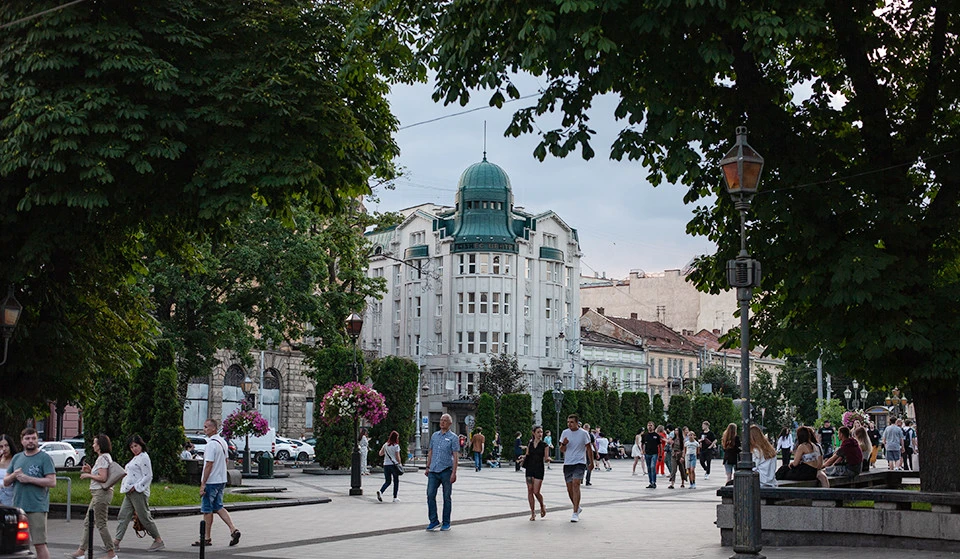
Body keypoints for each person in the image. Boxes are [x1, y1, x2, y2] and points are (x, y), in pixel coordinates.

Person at [3, 428, 56, 559]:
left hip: (36, 507)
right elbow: (6, 481)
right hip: (18, 508)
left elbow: (52, 481)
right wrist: (14, 476)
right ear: (22, 441)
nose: (30, 441)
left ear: (38, 440)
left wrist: (29, 479)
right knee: (16, 546)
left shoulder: (44, 458)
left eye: (33, 438)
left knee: (39, 543)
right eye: (27, 439)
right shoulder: (17, 458)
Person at [66, 434, 118, 559]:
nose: (93, 445)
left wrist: (88, 476)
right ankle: (81, 551)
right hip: (99, 493)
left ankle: (111, 553)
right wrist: (90, 471)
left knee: (100, 523)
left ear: (100, 445)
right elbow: (101, 475)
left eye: (95, 443)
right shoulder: (104, 457)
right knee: (88, 522)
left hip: (101, 494)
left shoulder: (102, 458)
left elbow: (103, 478)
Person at [114, 434, 164, 553]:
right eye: (131, 447)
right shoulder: (136, 458)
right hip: (130, 492)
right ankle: (116, 541)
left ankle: (158, 540)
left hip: (138, 492)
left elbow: (148, 476)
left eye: (136, 446)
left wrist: (136, 487)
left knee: (144, 516)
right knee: (123, 515)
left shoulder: (144, 458)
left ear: (141, 445)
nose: (134, 449)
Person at [195, 419, 241, 547]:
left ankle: (206, 538)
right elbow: (226, 460)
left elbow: (209, 464)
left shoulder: (210, 444)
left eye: (206, 427)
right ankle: (233, 529)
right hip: (221, 480)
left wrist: (203, 483)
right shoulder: (222, 442)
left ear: (214, 429)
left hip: (211, 481)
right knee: (218, 506)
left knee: (207, 510)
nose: (204, 429)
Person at [425, 413, 459, 531]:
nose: (442, 422)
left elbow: (455, 456)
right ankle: (433, 521)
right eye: (441, 420)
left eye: (445, 420)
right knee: (430, 495)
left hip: (446, 470)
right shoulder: (434, 436)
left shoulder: (453, 438)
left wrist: (454, 472)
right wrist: (427, 466)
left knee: (446, 497)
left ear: (450, 423)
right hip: (433, 470)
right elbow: (431, 451)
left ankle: (446, 522)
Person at [559, 414, 593, 522]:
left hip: (579, 462)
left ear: (577, 423)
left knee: (576, 483)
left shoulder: (584, 433)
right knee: (569, 489)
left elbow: (588, 448)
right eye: (568, 422)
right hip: (568, 463)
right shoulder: (565, 433)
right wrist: (563, 444)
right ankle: (577, 507)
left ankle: (574, 513)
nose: (569, 424)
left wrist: (591, 462)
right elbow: (562, 450)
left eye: (572, 422)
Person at [520, 426, 549, 521]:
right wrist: (522, 458)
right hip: (529, 468)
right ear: (533, 433)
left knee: (536, 491)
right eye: (538, 432)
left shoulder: (545, 445)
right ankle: (532, 512)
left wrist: (548, 459)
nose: (540, 434)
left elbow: (546, 457)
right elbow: (527, 455)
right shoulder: (530, 444)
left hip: (539, 469)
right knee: (530, 490)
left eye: (541, 432)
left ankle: (542, 505)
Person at [377, 430, 403, 502]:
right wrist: (399, 463)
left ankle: (381, 491)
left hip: (386, 465)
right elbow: (398, 457)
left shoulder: (385, 445)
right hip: (394, 465)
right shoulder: (396, 446)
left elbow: (380, 453)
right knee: (396, 481)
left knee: (388, 481)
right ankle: (395, 497)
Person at [640, 421, 662, 488]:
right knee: (649, 468)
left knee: (653, 467)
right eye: (648, 425)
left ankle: (654, 482)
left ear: (653, 426)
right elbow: (642, 444)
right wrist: (642, 450)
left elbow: (660, 445)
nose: (650, 426)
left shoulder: (656, 435)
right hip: (647, 453)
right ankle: (650, 482)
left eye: (651, 425)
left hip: (654, 453)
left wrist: (660, 454)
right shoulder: (644, 435)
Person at [0, 434, 16, 506]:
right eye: (1, 446)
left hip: (10, 497)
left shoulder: (16, 460)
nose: (4, 449)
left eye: (6, 446)